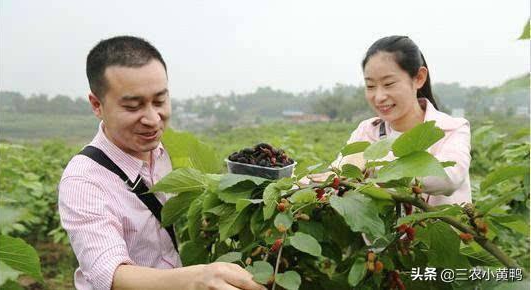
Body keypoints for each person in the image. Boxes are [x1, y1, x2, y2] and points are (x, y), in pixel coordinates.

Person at [58, 36, 265, 290]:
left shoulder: (164, 150)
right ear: (97, 105)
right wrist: (197, 278)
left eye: (159, 101)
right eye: (133, 106)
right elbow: (110, 273)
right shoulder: (83, 180)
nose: (153, 119)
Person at [309, 35, 472, 206]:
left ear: (419, 78)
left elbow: (449, 177)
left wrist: (370, 166)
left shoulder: (451, 129)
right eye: (370, 86)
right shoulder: (366, 131)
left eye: (389, 84)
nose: (379, 97)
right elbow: (337, 178)